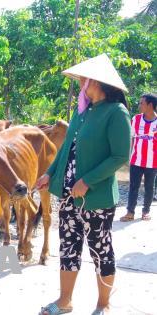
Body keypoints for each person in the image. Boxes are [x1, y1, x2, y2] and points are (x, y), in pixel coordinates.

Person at [36, 54, 131, 315]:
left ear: (98, 82)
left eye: (83, 80)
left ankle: (103, 304)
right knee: (68, 247)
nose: (80, 84)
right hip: (68, 196)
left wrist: (87, 181)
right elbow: (67, 147)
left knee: (100, 250)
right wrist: (49, 173)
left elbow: (121, 156)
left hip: (96, 198)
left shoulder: (116, 113)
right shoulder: (83, 111)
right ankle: (64, 301)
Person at [120, 93, 156, 222]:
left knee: (149, 187)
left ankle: (146, 211)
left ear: (150, 105)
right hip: (136, 160)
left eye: (142, 103)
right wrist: (128, 156)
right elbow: (131, 138)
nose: (139, 105)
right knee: (133, 186)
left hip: (153, 162)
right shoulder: (136, 119)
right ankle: (130, 212)